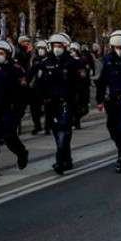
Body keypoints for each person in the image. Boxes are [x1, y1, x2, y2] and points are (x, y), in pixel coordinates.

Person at [37, 33, 88, 175]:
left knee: (63, 130)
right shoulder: (46, 63)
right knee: (56, 132)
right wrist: (39, 100)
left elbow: (83, 85)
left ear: (65, 47)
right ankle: (67, 158)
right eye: (54, 46)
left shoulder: (74, 63)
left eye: (60, 46)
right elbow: (40, 85)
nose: (57, 48)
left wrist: (83, 103)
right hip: (51, 103)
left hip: (67, 101)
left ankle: (60, 160)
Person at [0, 40, 29, 177]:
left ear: (8, 54)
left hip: (10, 109)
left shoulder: (16, 68)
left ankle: (21, 152)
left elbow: (23, 90)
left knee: (9, 136)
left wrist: (20, 108)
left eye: (1, 53)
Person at [95, 30, 121, 172]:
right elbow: (101, 81)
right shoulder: (107, 59)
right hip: (112, 100)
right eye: (116, 47)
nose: (119, 50)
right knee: (112, 127)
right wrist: (99, 100)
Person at [28, 40, 50, 135]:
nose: (41, 50)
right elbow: (31, 72)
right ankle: (37, 124)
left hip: (48, 88)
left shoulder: (51, 60)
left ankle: (48, 126)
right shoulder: (36, 60)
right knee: (34, 107)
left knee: (49, 108)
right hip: (38, 87)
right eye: (39, 48)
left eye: (43, 48)